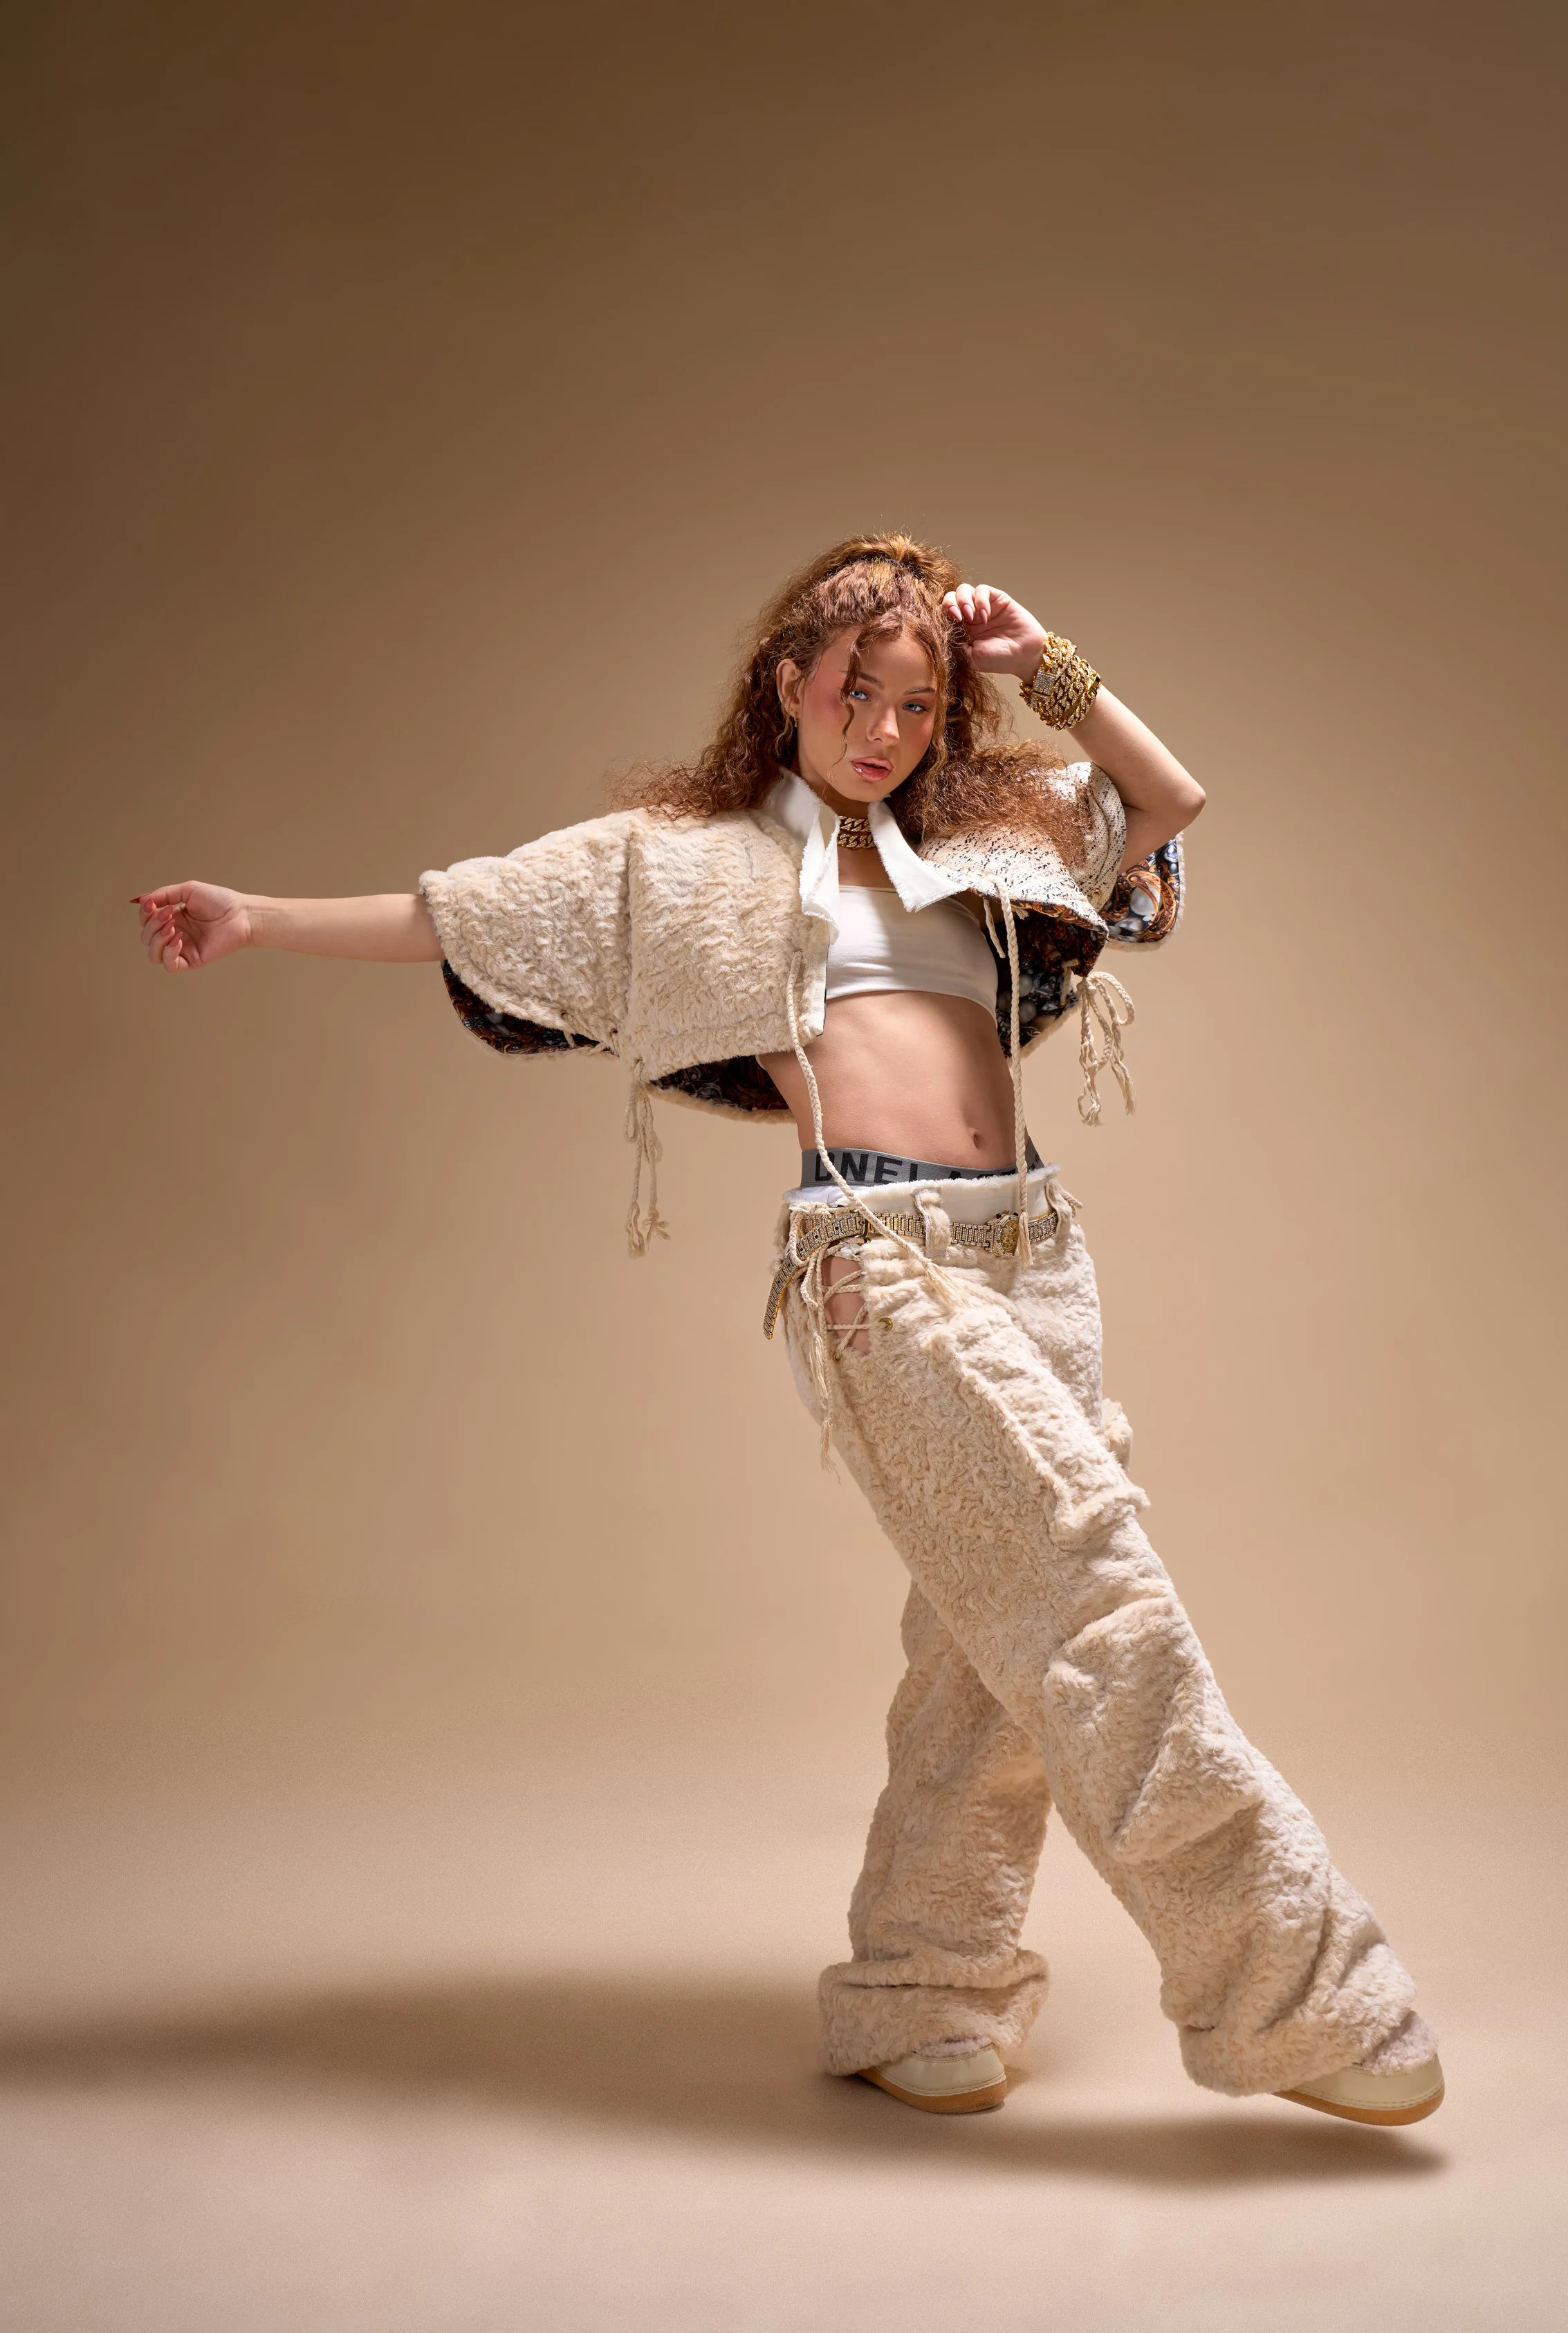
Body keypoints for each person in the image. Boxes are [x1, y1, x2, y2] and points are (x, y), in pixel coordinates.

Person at [133, 534, 1443, 2128]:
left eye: (915, 705)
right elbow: (456, 912)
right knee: (1096, 1613)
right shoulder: (681, 861)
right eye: (855, 695)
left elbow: (1166, 804)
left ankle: (920, 1988)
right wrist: (253, 917)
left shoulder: (993, 842)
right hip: (874, 1261)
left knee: (986, 1649)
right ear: (788, 688)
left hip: (1032, 1250)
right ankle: (1295, 1994)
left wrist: (1045, 668)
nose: (883, 731)